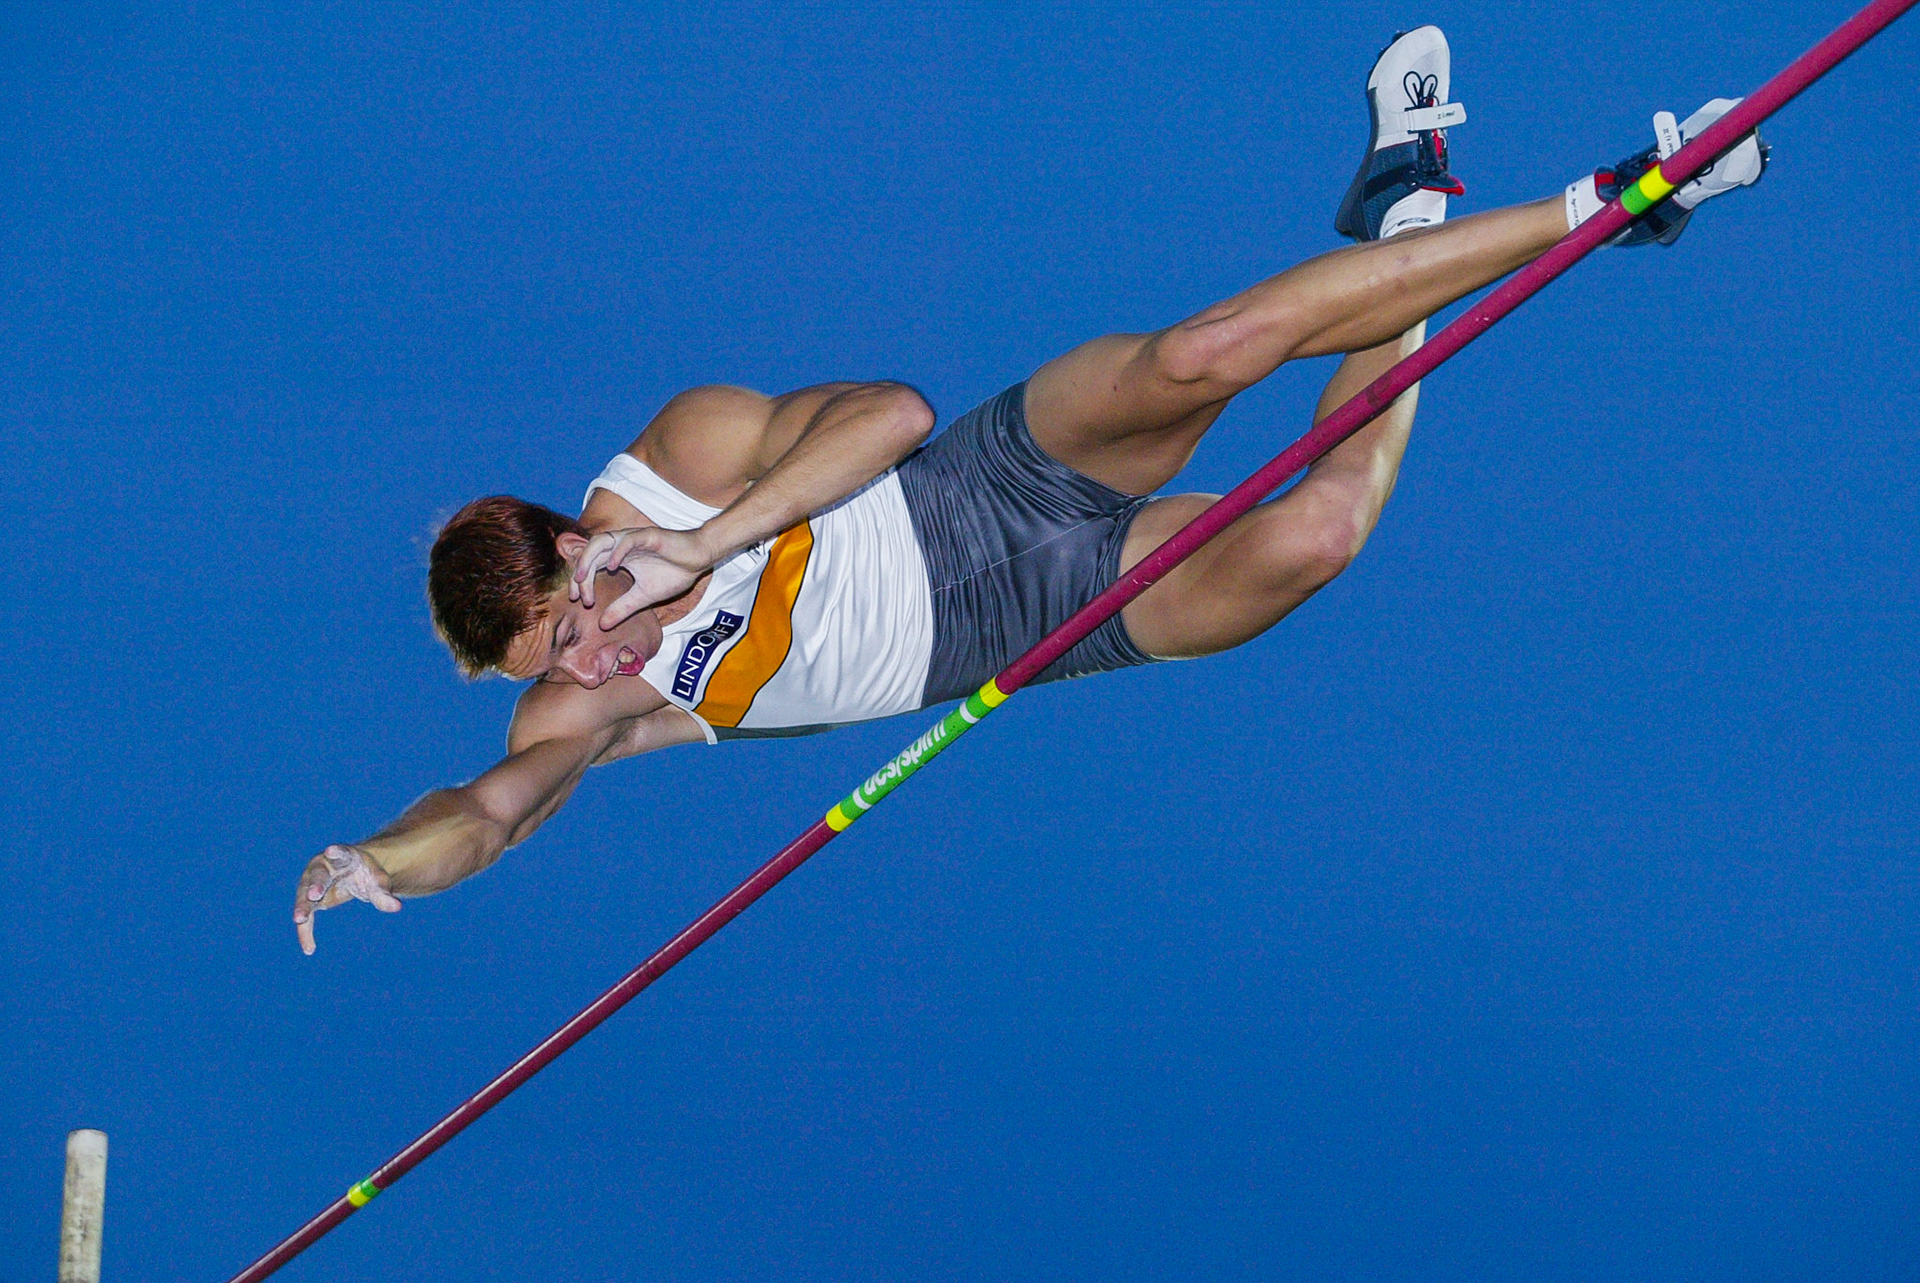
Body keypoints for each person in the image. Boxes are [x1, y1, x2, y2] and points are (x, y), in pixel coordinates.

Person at [293, 27, 1765, 953]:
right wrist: (380, 861)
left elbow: (894, 414)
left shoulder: (676, 457)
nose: (597, 664)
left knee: (1210, 351)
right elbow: (486, 812)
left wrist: (711, 548)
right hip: (1020, 626)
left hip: (974, 488)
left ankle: (1624, 199)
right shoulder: (579, 710)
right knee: (1315, 532)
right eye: (563, 667)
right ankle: (1411, 215)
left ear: (572, 542)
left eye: (574, 626)